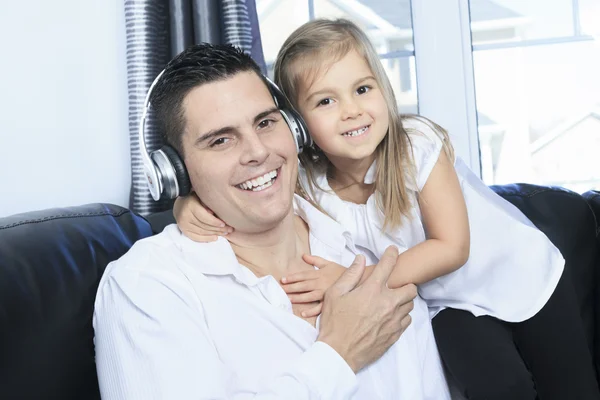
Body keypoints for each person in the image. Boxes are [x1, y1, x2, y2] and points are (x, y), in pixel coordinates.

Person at [174, 19, 600, 400]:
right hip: (446, 303)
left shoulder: (415, 145)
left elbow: (451, 248)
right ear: (296, 125)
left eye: (362, 89)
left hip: (523, 279)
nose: (352, 110)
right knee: (498, 386)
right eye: (326, 102)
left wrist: (353, 282)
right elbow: (246, 191)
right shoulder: (306, 182)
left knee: (573, 389)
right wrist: (186, 202)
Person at [92, 42, 452, 399]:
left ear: (295, 129)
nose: (259, 152)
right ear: (176, 173)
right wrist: (338, 356)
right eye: (220, 140)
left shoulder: (372, 252)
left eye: (265, 122)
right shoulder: (148, 286)